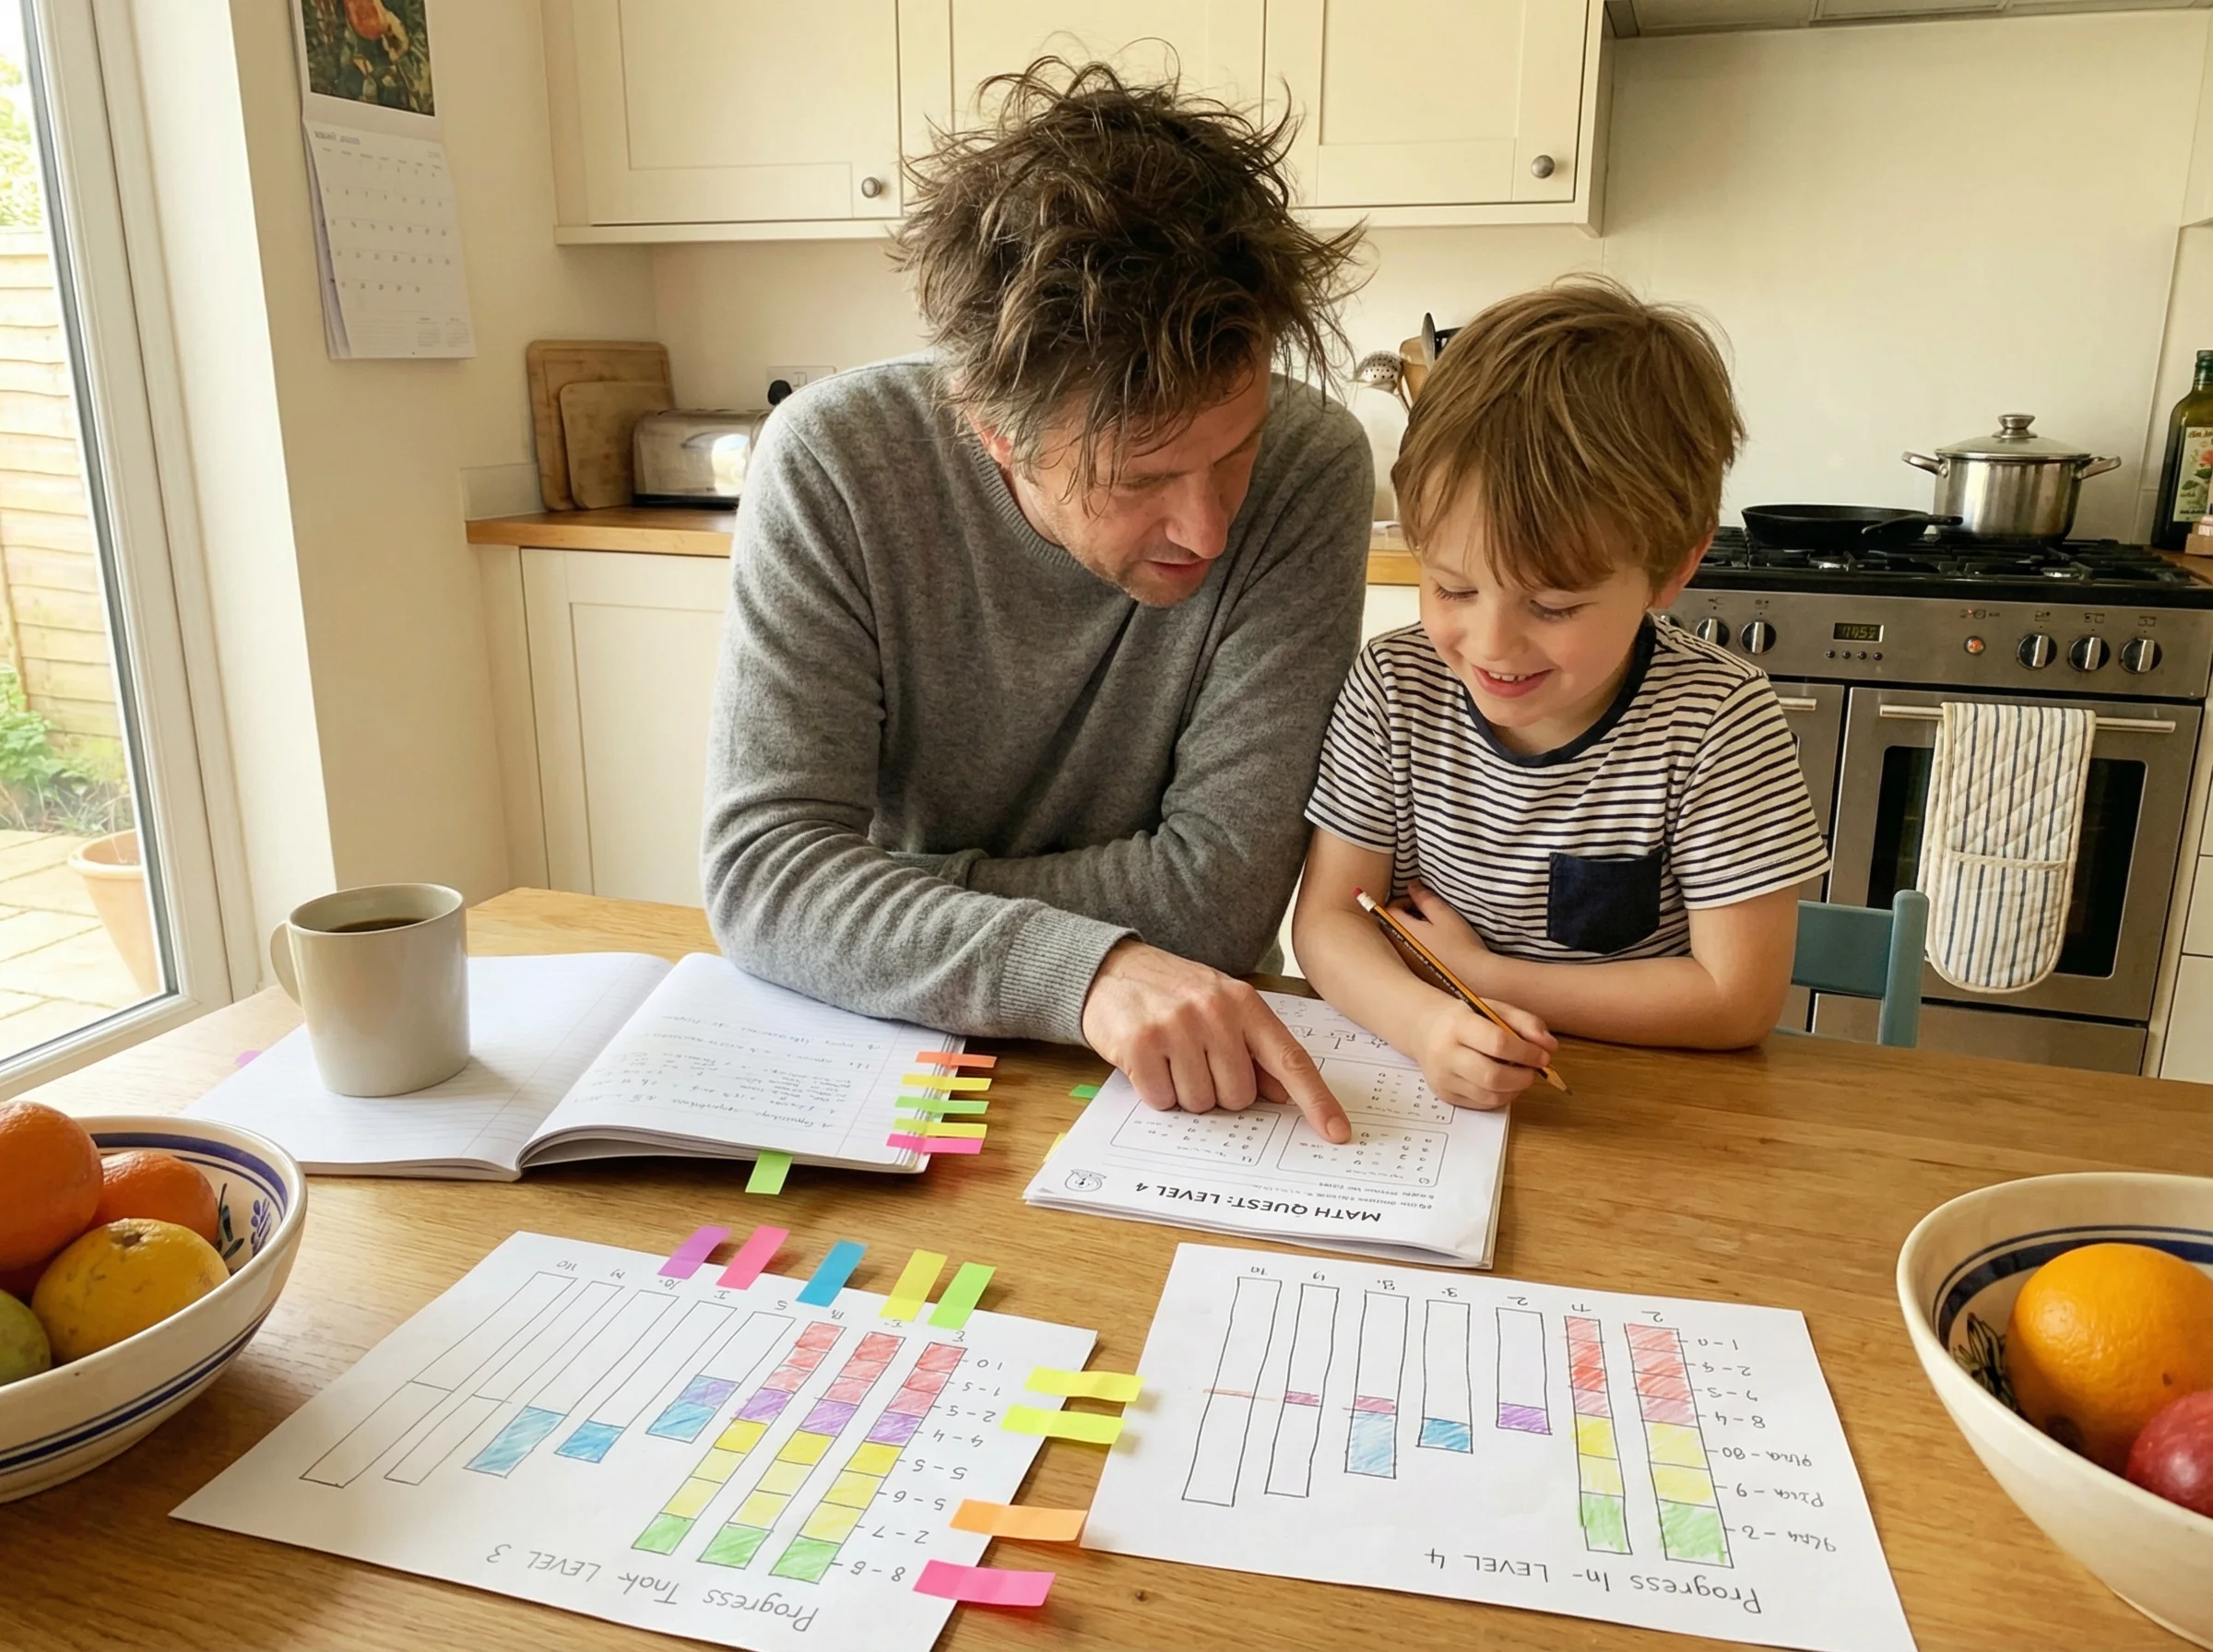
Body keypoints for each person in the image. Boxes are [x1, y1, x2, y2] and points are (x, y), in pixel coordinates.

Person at [702, 62, 1372, 1141]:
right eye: (1142, 479)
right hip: (884, 1050)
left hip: (1186, 1075)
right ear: (993, 432)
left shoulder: (1312, 465)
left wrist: (887, 892)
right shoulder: (834, 461)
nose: (1207, 528)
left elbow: (1220, 901)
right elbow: (767, 875)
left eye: (1234, 449)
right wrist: (1087, 965)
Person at [1291, 277, 1831, 1109]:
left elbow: (1738, 1001)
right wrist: (1427, 1024)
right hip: (1434, 1091)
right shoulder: (1396, 686)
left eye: (1552, 605)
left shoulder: (1720, 721)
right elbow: (1328, 924)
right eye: (1451, 589)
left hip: (1651, 1117)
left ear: (1674, 568)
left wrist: (1483, 976)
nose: (1493, 644)